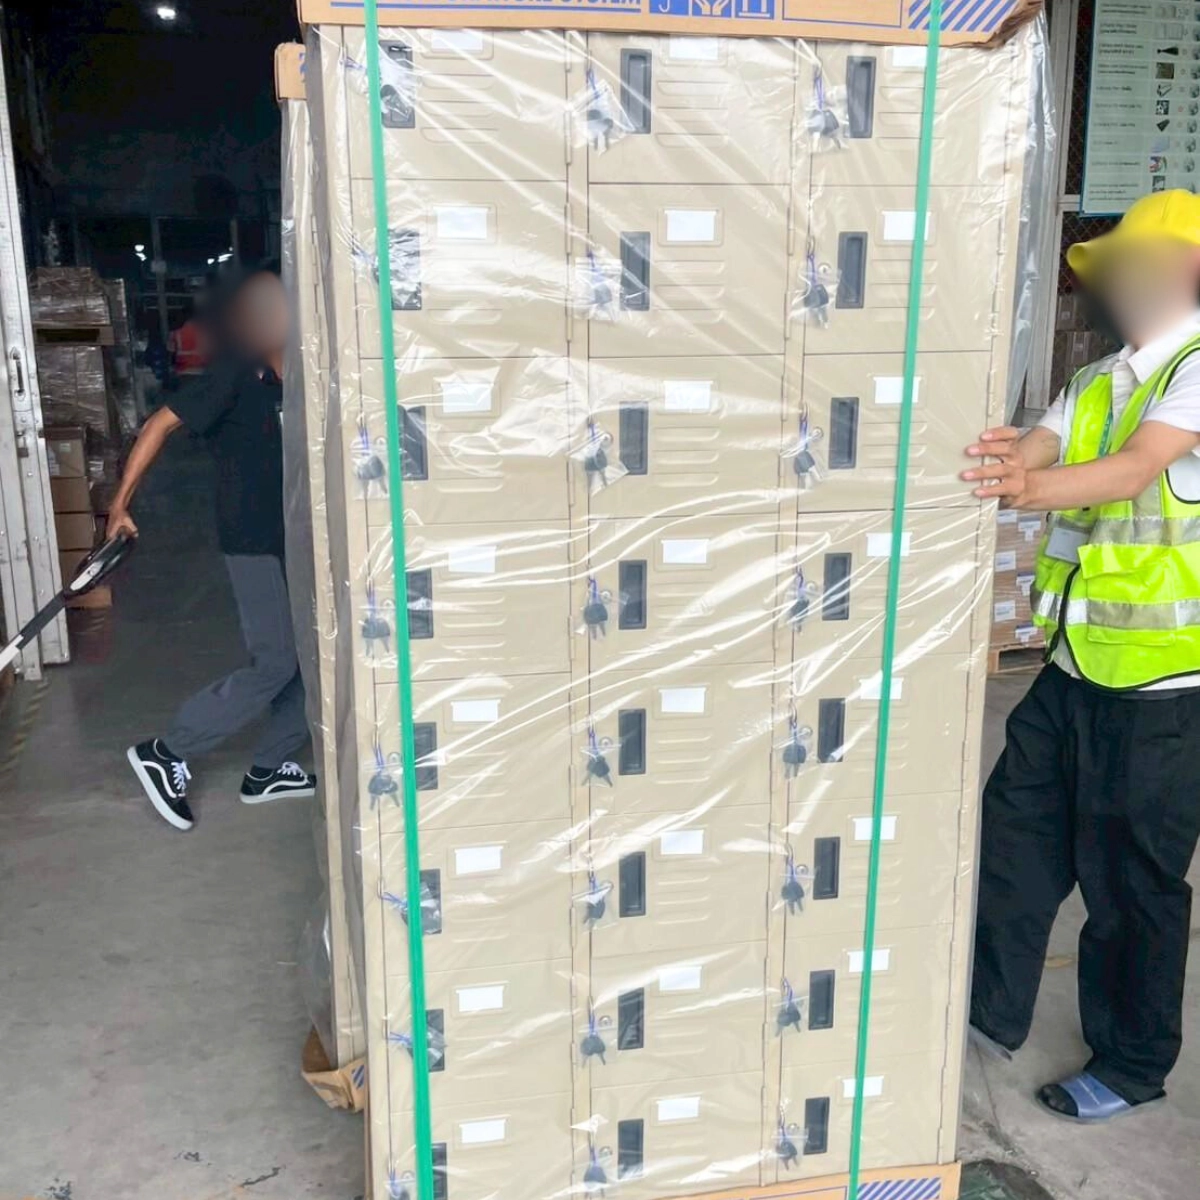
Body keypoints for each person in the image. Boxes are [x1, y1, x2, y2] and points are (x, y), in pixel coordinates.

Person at [961, 189, 1200, 1123]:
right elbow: (1041, 446)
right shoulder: (1100, 378)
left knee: (1131, 883)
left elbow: (1135, 467)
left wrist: (1028, 487)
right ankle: (987, 1012)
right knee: (1014, 837)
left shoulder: (1194, 369)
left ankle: (1132, 1064)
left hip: (1164, 688)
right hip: (1071, 668)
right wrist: (1000, 464)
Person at [111, 268, 315, 831]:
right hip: (252, 542)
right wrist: (119, 504)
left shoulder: (303, 379)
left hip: (295, 541)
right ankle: (169, 750)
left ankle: (270, 767)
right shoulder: (235, 375)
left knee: (310, 655)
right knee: (276, 662)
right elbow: (159, 425)